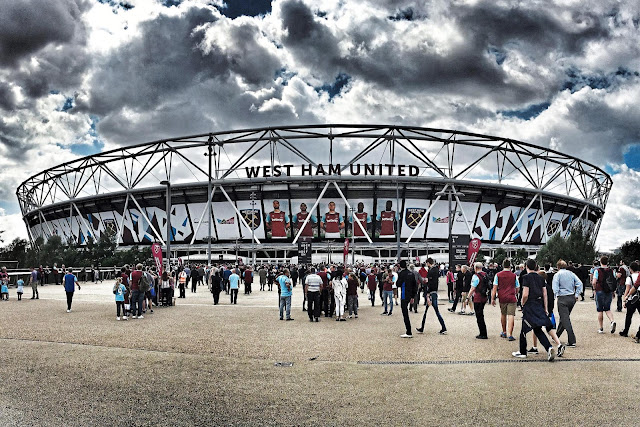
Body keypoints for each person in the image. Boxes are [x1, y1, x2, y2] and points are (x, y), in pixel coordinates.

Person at [512, 260, 556, 361]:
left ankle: (522, 351)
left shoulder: (526, 278)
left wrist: (522, 303)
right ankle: (549, 347)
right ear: (536, 266)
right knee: (537, 329)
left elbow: (525, 294)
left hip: (530, 305)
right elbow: (545, 294)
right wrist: (545, 308)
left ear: (526, 266)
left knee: (524, 329)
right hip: (539, 304)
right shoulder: (540, 278)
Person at [552, 259, 583, 348]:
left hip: (562, 298)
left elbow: (555, 288)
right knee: (564, 318)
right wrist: (576, 294)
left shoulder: (557, 275)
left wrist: (555, 296)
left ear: (558, 267)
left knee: (565, 319)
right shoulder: (571, 274)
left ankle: (572, 340)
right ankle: (556, 336)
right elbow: (579, 284)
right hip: (571, 297)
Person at [491, 259, 519, 341]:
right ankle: (510, 334)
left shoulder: (498, 275)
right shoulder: (514, 275)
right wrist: (515, 293)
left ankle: (504, 331)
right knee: (511, 315)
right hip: (511, 296)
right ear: (510, 266)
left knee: (503, 314)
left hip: (502, 296)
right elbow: (517, 287)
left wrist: (493, 298)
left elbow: (494, 287)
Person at [417, 258, 447, 335]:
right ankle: (443, 327)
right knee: (436, 311)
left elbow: (429, 283)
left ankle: (422, 327)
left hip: (431, 293)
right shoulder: (436, 270)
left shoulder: (431, 271)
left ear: (428, 263)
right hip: (434, 292)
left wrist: (427, 294)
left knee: (428, 311)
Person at [592, 256, 616, 334]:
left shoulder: (597, 271)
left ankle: (601, 328)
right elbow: (613, 281)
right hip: (608, 291)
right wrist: (613, 291)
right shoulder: (611, 271)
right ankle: (612, 321)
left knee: (600, 309)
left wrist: (594, 289)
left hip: (599, 290)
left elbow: (594, 282)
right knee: (607, 309)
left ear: (600, 262)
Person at [466, 262, 488, 339]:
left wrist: (468, 297)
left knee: (479, 316)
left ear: (476, 268)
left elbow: (472, 288)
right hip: (484, 296)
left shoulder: (475, 276)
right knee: (481, 314)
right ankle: (483, 332)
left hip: (478, 297)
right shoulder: (485, 274)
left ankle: (483, 333)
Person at [620, 261, 640, 341]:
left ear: (630, 269)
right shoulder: (639, 275)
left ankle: (625, 331)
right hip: (639, 297)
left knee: (629, 315)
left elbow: (627, 289)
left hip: (632, 298)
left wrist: (625, 298)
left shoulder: (629, 277)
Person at [397, 260, 417, 338]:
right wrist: (413, 296)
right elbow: (415, 285)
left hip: (404, 295)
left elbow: (398, 284)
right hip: (410, 294)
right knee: (406, 313)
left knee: (405, 313)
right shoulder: (411, 274)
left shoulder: (401, 273)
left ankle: (408, 331)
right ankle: (408, 331)